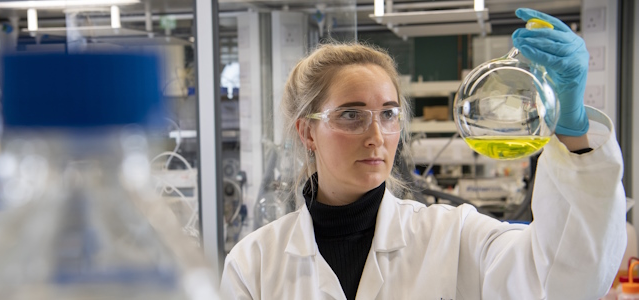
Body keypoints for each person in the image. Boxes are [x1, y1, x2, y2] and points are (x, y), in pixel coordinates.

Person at [220, 8, 626, 300]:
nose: (376, 134)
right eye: (350, 115)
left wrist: (574, 132)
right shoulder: (255, 262)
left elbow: (561, 281)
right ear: (307, 131)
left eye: (389, 114)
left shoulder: (453, 236)